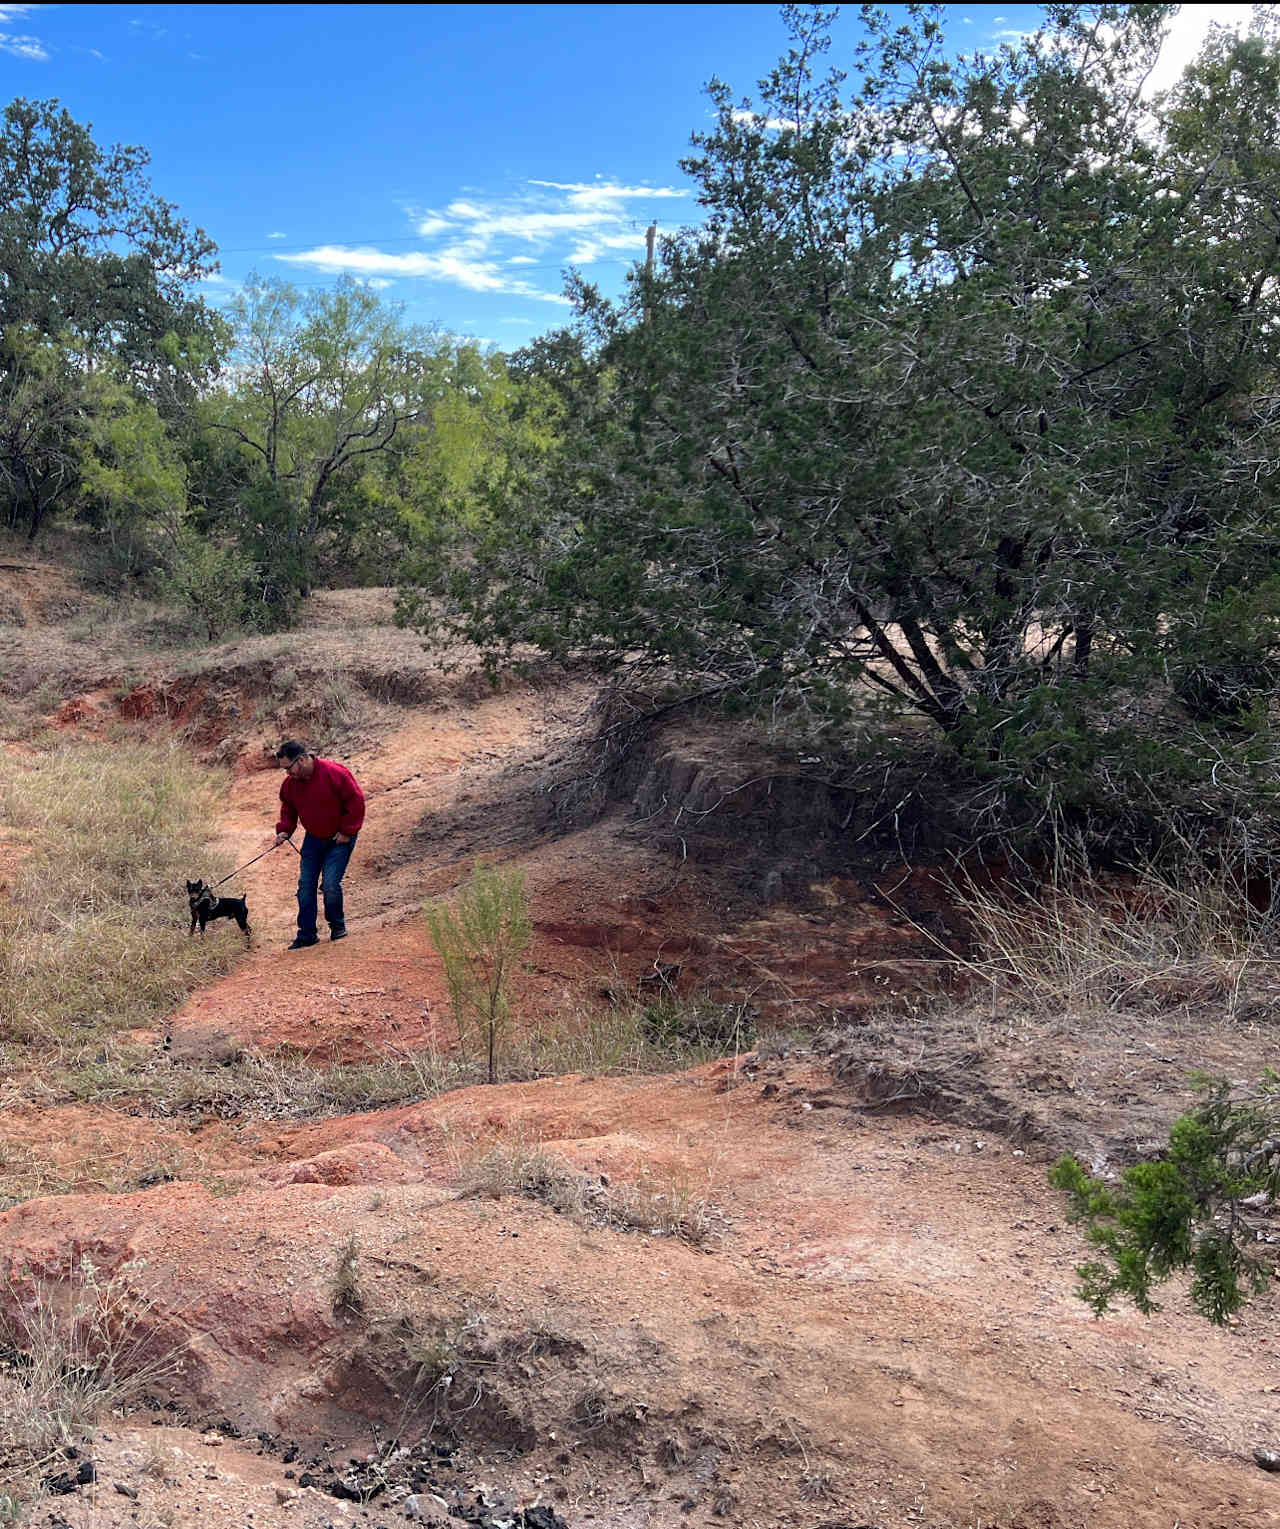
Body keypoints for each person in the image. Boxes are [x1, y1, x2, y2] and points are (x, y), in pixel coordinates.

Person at [272, 740, 365, 950]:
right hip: (313, 839)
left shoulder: (335, 773)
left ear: (302, 759)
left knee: (331, 885)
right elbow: (289, 809)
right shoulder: (290, 785)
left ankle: (337, 927)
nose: (287, 773)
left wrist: (347, 831)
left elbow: (356, 801)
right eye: (284, 769)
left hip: (339, 839)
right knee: (305, 886)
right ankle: (307, 935)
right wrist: (284, 830)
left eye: (289, 767)